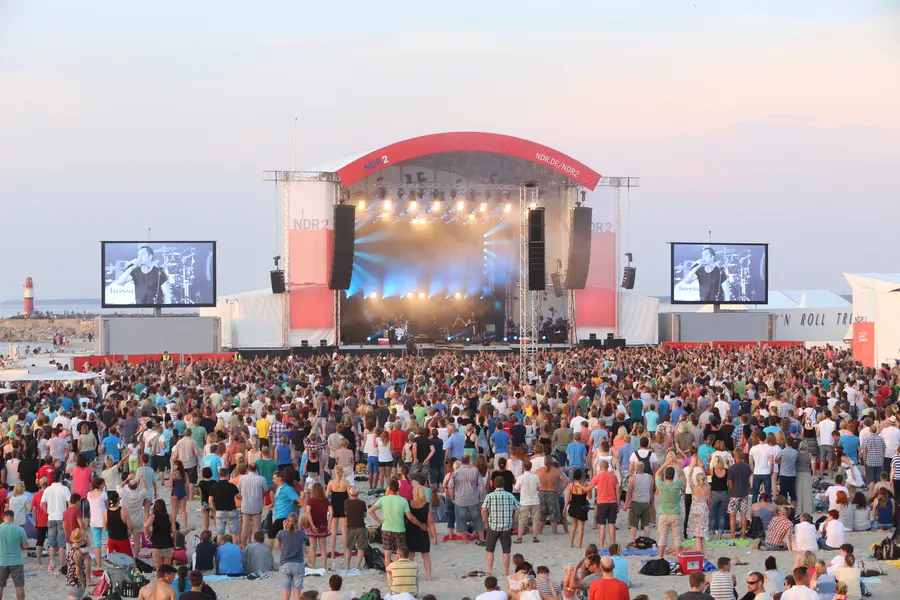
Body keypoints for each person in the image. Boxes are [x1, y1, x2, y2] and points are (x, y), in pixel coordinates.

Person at [481, 474, 520, 576]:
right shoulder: (510, 496)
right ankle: (506, 572)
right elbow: (518, 509)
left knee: (490, 550)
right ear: (503, 484)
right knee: (506, 551)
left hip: (493, 526)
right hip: (506, 526)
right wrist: (513, 520)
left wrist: (486, 522)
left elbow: (484, 510)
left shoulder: (490, 496)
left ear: (494, 484)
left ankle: (489, 570)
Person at [655, 453, 684, 559]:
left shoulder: (661, 485)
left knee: (662, 537)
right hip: (675, 514)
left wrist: (666, 463)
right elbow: (682, 475)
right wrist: (676, 463)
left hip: (664, 514)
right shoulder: (677, 485)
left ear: (665, 475)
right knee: (677, 538)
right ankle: (679, 558)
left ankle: (660, 557)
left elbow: (657, 473)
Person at [406, 484, 436, 580]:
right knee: (426, 555)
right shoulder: (427, 505)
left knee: (411, 555)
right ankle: (429, 576)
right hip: (423, 530)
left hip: (411, 530)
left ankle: (411, 575)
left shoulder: (409, 503)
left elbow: (409, 517)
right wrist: (433, 534)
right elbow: (430, 520)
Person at [276, 513, 307, 600]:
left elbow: (279, 547)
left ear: (287, 522)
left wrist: (284, 529)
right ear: (297, 522)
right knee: (297, 593)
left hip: (285, 564)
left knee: (286, 592)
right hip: (298, 564)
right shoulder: (301, 534)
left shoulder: (281, 533)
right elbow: (306, 543)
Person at [0, 510, 28, 600]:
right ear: (13, 517)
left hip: (2, 561)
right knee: (19, 586)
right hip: (16, 561)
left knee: (0, 586)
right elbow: (25, 546)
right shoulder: (20, 529)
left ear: (4, 517)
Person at [144, 498, 176, 569]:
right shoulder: (169, 517)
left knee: (159, 568)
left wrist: (148, 535)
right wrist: (174, 541)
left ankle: (159, 580)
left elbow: (146, 526)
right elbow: (174, 531)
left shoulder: (153, 516)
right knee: (167, 568)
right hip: (168, 543)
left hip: (156, 543)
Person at [343, 486, 369, 572]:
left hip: (350, 527)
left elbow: (345, 513)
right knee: (361, 548)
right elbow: (365, 515)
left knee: (349, 548)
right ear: (358, 494)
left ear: (350, 494)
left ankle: (347, 566)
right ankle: (357, 567)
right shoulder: (362, 503)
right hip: (361, 526)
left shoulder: (346, 502)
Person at [65, 528, 90, 600]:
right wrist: (82, 584)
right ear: (81, 540)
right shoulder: (78, 553)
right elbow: (78, 571)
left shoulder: (70, 550)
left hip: (69, 582)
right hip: (76, 584)